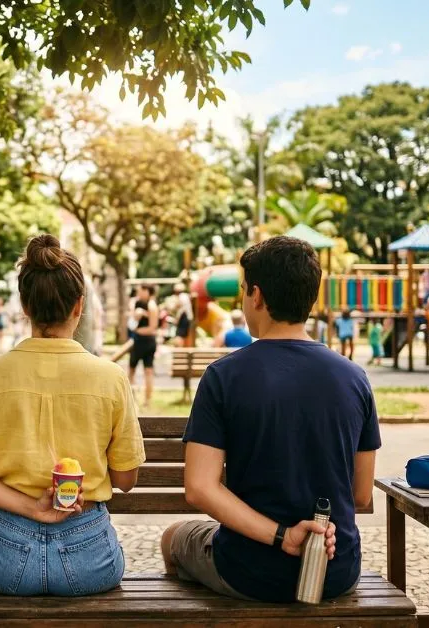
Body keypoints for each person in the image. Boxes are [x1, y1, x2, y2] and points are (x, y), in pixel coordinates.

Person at [161, 236, 376, 603]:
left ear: (257, 296)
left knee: (173, 538)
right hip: (335, 570)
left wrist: (281, 535)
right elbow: (360, 494)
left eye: (244, 290)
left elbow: (199, 488)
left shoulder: (224, 376)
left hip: (250, 571)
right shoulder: (354, 378)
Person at [0, 234, 145, 596]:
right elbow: (126, 479)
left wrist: (31, 507)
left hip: (4, 555)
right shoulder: (111, 378)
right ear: (79, 306)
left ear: (24, 305)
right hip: (90, 555)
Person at [128, 285, 159, 407]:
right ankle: (133, 399)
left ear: (147, 291)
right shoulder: (137, 303)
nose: (138, 292)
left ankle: (147, 400)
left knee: (145, 371)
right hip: (142, 341)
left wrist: (137, 330)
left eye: (141, 290)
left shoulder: (151, 306)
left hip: (145, 341)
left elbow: (152, 328)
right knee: (134, 370)